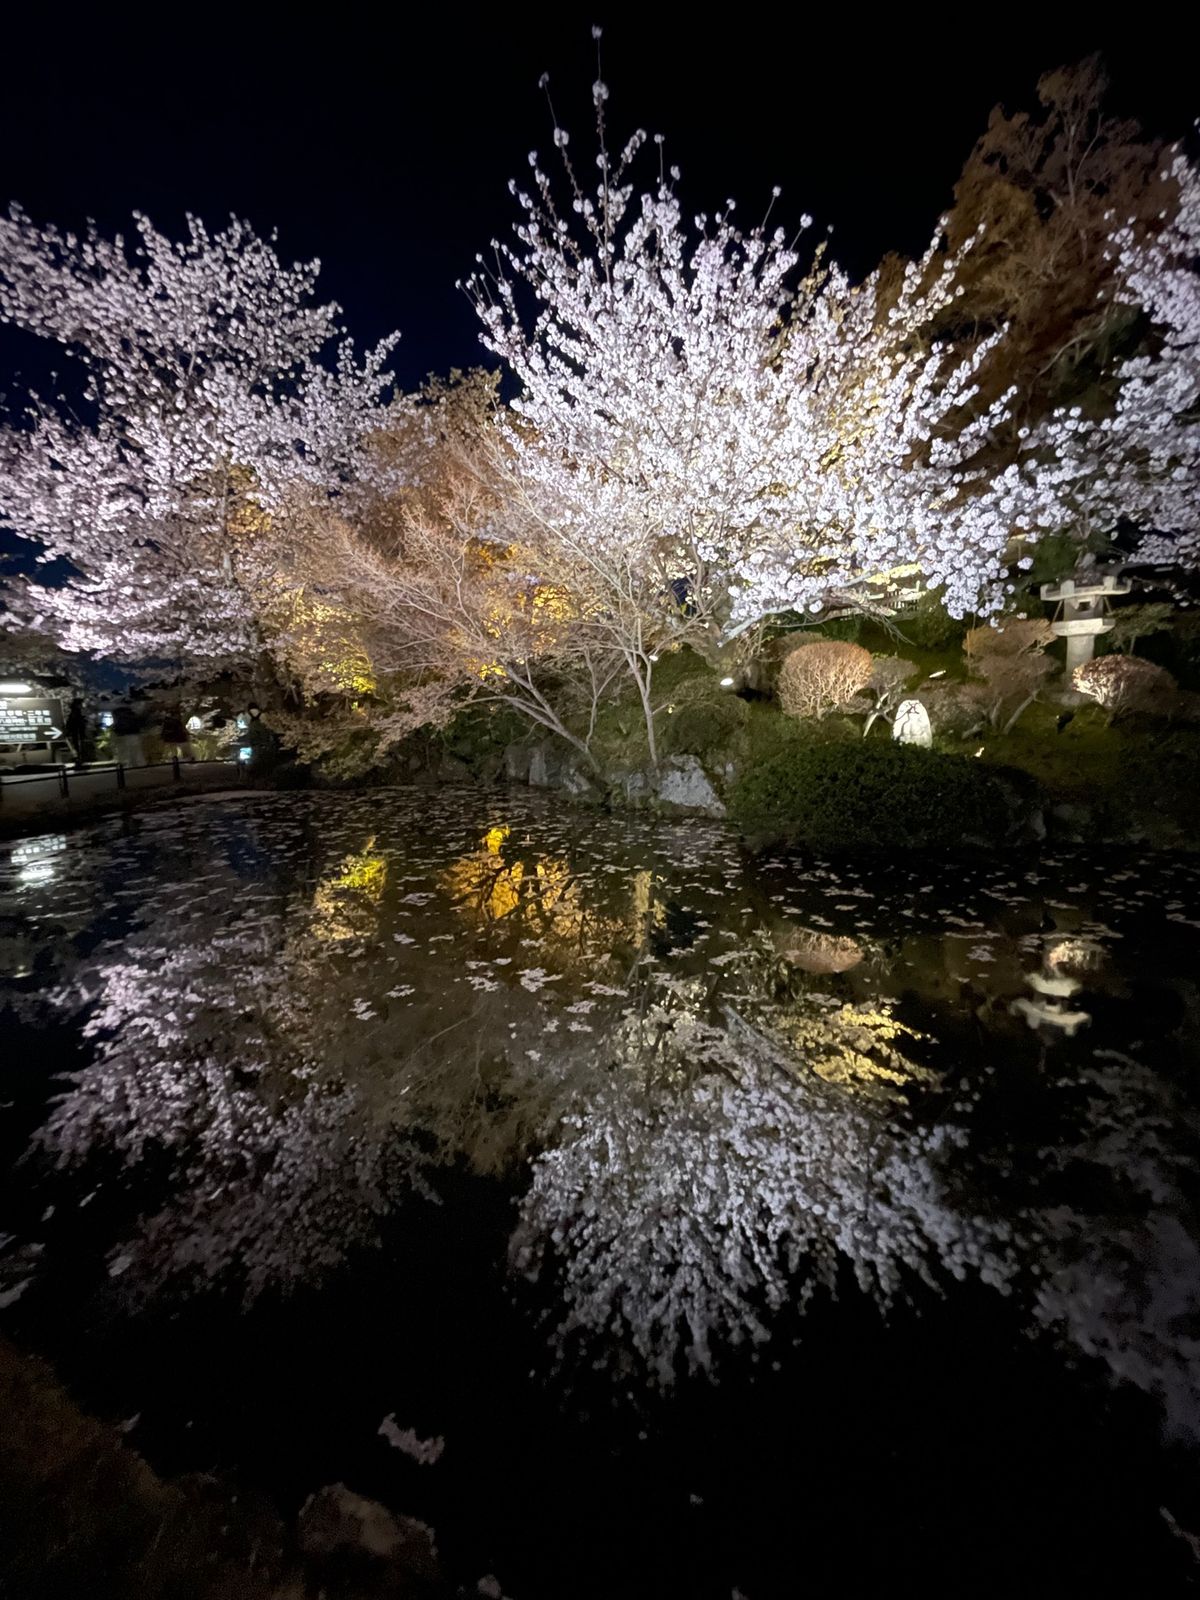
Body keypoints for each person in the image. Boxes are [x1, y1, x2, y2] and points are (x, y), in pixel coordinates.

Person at [111, 695, 145, 768]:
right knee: (135, 750)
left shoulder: (116, 712)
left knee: (126, 751)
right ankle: (136, 765)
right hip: (133, 733)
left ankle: (128, 765)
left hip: (122, 734)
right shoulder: (132, 712)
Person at [64, 697, 88, 767]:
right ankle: (79, 760)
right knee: (78, 747)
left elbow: (70, 723)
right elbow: (74, 723)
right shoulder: (76, 712)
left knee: (77, 747)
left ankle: (79, 760)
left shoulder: (75, 712)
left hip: (76, 733)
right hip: (77, 733)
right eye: (81, 704)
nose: (82, 705)